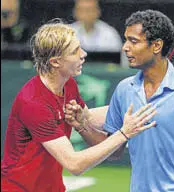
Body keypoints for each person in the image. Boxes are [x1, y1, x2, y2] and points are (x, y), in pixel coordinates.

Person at [65, 10, 174, 191]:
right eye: (126, 40)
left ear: (156, 46)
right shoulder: (124, 90)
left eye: (133, 41)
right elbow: (114, 150)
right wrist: (82, 126)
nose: (125, 47)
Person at [0, 19, 157, 191]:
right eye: (75, 51)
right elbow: (74, 164)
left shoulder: (68, 84)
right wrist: (124, 133)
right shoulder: (34, 103)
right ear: (55, 62)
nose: (83, 54)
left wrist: (146, 106)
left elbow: (89, 118)